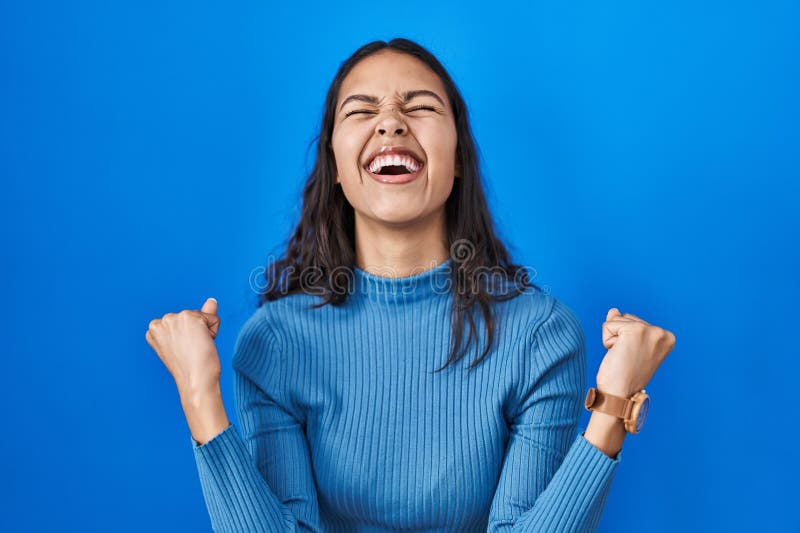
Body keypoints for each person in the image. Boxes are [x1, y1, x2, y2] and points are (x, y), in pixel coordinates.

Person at [145, 37, 676, 532]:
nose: (391, 124)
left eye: (419, 107)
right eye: (361, 110)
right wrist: (200, 398)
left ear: (459, 158)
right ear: (334, 163)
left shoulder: (540, 336)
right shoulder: (275, 344)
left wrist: (613, 407)